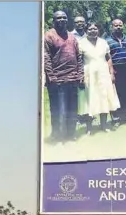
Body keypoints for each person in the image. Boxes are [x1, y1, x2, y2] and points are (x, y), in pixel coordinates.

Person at [44, 11, 84, 141]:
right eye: (58, 18)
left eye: (64, 18)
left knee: (72, 109)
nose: (61, 20)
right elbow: (46, 58)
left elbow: (79, 57)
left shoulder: (72, 37)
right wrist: (51, 77)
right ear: (53, 21)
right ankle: (57, 135)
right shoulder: (49, 36)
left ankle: (71, 134)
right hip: (57, 80)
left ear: (67, 20)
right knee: (58, 110)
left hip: (72, 79)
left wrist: (80, 74)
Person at [77, 22, 121, 133]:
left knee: (104, 98)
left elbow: (108, 58)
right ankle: (89, 127)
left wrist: (111, 73)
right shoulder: (81, 43)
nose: (93, 31)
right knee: (89, 99)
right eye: (90, 29)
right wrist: (80, 75)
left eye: (95, 29)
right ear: (86, 30)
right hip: (89, 74)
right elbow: (79, 61)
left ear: (98, 30)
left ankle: (104, 125)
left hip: (103, 74)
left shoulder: (103, 42)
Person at [106, 19, 126, 126]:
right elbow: (106, 58)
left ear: (123, 26)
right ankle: (116, 118)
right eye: (116, 25)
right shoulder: (107, 41)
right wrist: (110, 71)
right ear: (112, 27)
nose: (118, 27)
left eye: (120, 25)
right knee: (114, 94)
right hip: (114, 70)